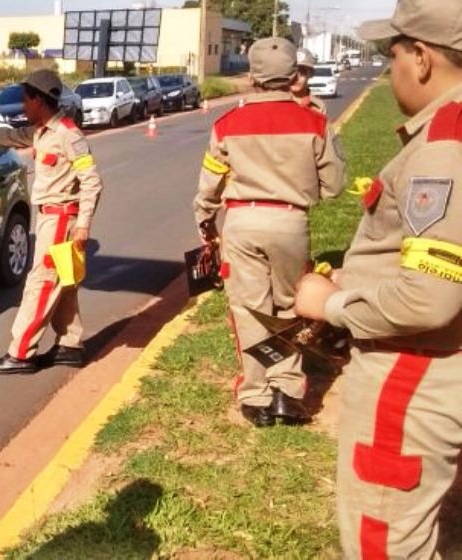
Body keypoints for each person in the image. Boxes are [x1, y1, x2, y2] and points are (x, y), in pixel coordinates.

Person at [294, 0, 462, 555]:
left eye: (391, 55)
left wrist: (332, 305)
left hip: (411, 374)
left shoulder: (445, 146)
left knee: (384, 543)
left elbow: (431, 299)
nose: (390, 70)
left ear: (421, 58)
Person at [194, 37, 345, 428]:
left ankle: (256, 395)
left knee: (249, 308)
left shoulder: (227, 125)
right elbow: (335, 184)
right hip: (291, 221)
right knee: (291, 306)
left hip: (243, 222)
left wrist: (205, 219)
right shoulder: (315, 122)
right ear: (294, 75)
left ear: (252, 77)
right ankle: (289, 393)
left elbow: (211, 184)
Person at [0, 69, 104, 374]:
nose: (23, 106)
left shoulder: (68, 134)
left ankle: (21, 353)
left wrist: (83, 224)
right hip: (51, 218)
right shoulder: (41, 130)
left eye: (26, 99)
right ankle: (70, 346)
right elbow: (9, 136)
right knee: (65, 284)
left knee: (40, 284)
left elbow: (92, 182)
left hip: (62, 221)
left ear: (39, 100)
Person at [292, 47, 328, 114]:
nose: (296, 77)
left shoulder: (318, 107)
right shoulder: (276, 101)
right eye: (292, 71)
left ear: (311, 73)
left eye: (302, 71)